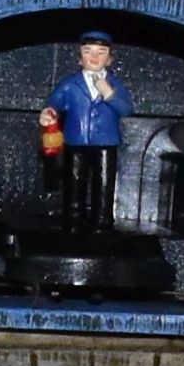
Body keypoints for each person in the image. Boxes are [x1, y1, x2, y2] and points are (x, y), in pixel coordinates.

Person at [37, 34, 128, 242]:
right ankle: (72, 222)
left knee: (104, 184)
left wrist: (109, 94)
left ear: (110, 59)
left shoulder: (114, 84)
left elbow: (126, 108)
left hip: (106, 142)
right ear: (80, 58)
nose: (94, 57)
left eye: (100, 53)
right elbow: (54, 104)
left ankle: (102, 225)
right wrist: (48, 114)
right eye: (88, 52)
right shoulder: (70, 84)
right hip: (76, 141)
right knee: (74, 183)